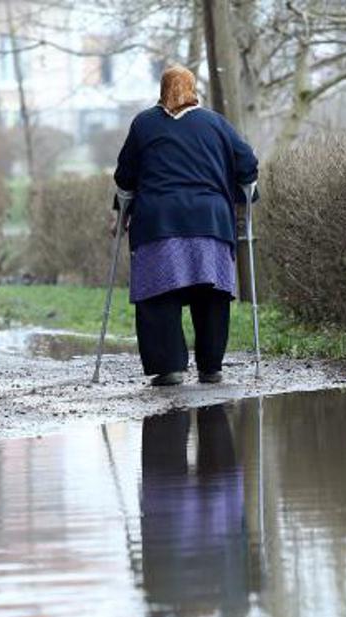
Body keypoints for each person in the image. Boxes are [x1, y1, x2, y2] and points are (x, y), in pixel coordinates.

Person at [112, 65, 259, 386]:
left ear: (162, 90)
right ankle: (210, 367)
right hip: (211, 223)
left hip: (158, 223)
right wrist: (243, 193)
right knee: (211, 294)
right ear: (194, 91)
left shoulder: (144, 124)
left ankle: (169, 368)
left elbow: (125, 176)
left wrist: (120, 212)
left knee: (158, 294)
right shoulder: (216, 123)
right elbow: (247, 164)